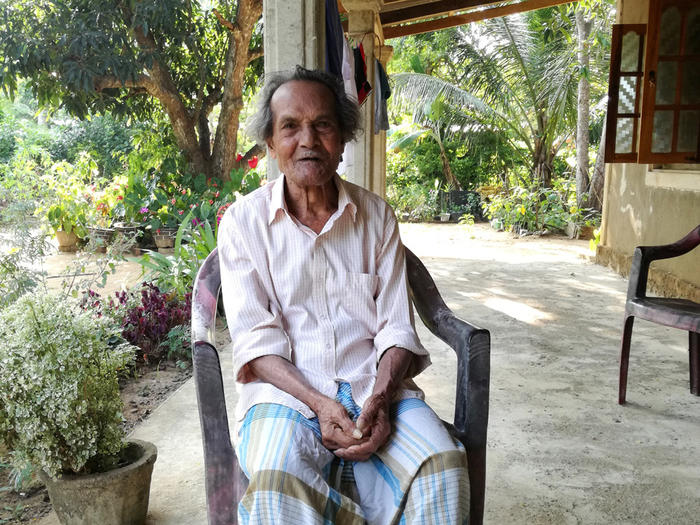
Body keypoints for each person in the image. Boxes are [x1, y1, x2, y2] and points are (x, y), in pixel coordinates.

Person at [218, 65, 469, 524]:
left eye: (323, 125)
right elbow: (255, 341)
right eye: (290, 127)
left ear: (343, 138)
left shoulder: (377, 217)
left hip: (373, 387)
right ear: (271, 143)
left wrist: (379, 398)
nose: (308, 139)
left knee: (442, 466)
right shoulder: (242, 223)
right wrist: (318, 403)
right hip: (286, 397)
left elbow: (396, 326)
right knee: (278, 477)